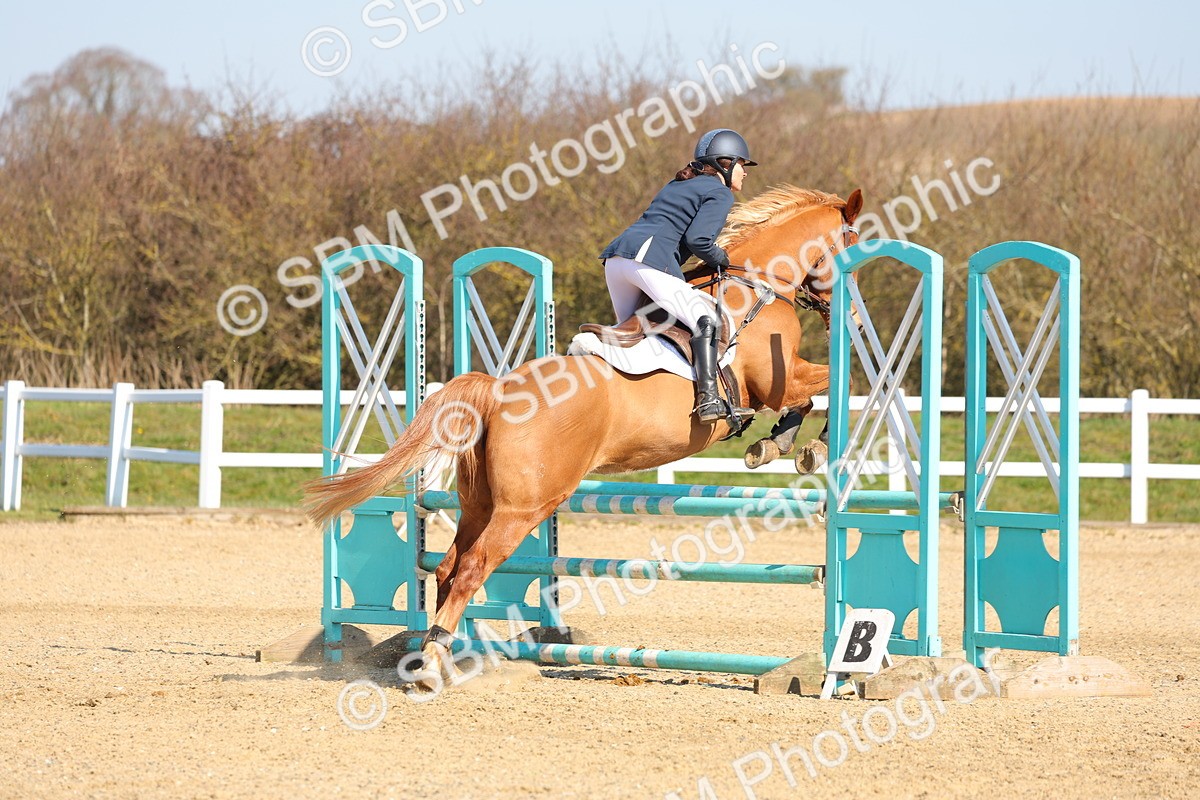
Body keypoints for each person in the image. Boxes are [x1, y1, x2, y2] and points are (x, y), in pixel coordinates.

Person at [599, 128, 755, 422]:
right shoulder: (719, 193)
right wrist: (721, 257)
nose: (745, 173)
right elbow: (699, 241)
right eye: (743, 166)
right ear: (726, 163)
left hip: (617, 261)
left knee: (633, 334)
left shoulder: (679, 184)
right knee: (704, 320)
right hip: (647, 260)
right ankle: (709, 400)